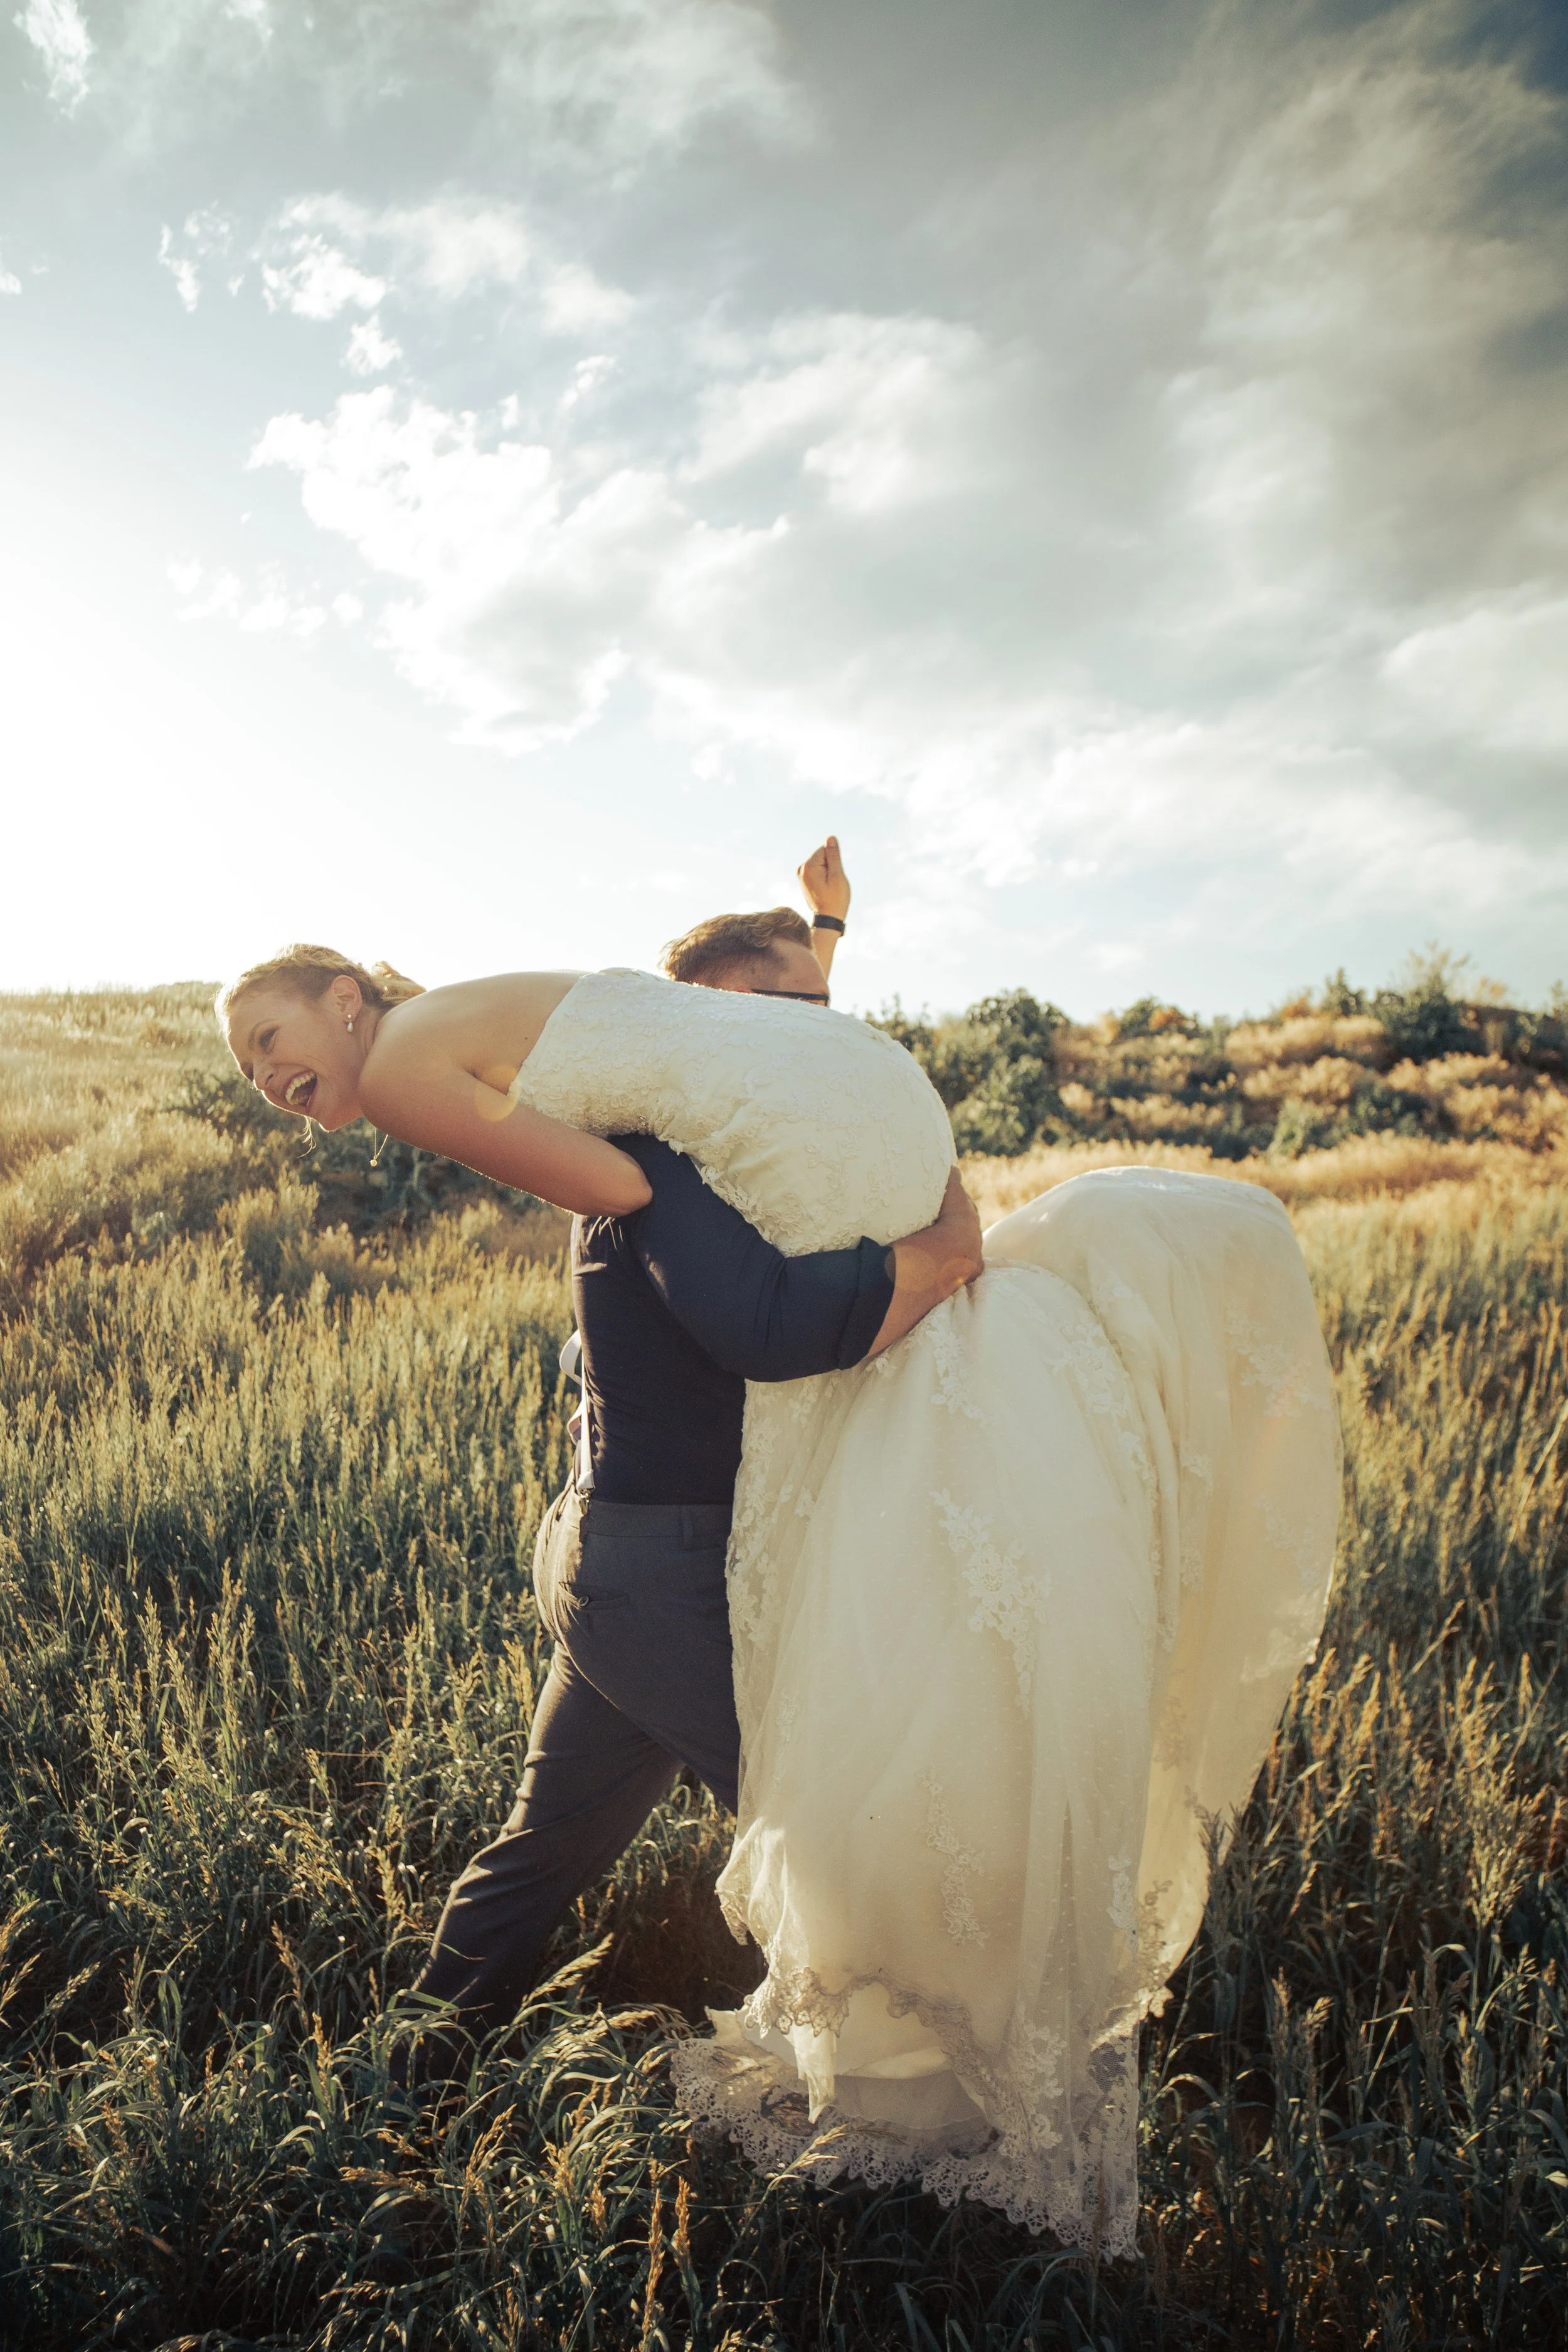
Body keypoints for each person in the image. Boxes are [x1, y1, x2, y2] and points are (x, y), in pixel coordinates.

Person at [218, 936, 1339, 2251]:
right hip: (671, 1574)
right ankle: (935, 2138)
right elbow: (766, 1323)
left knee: (541, 1846)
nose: (261, 1080)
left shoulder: (631, 1153)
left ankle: (399, 2079)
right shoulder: (647, 1173)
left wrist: (827, 974)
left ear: (347, 1000)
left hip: (613, 1567)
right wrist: (933, 1261)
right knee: (859, 1834)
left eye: (266, 1043)